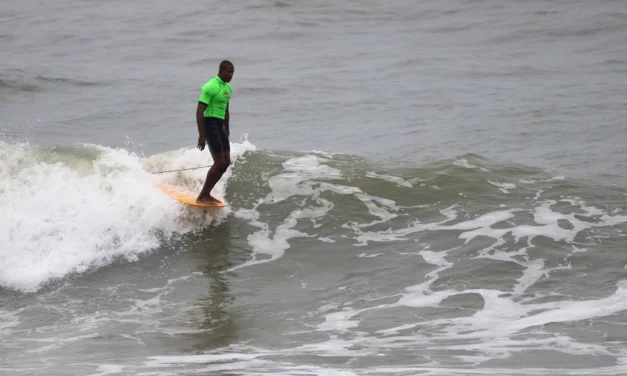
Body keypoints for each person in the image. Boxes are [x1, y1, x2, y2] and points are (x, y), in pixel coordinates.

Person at [195, 60, 235, 204]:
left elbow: (226, 110)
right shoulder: (210, 86)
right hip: (210, 123)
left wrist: (227, 129)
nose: (231, 75)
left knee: (226, 163)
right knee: (219, 163)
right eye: (228, 72)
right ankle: (203, 195)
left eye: (233, 72)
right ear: (221, 70)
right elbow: (200, 111)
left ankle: (207, 193)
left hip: (220, 126)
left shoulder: (228, 88)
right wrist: (201, 135)